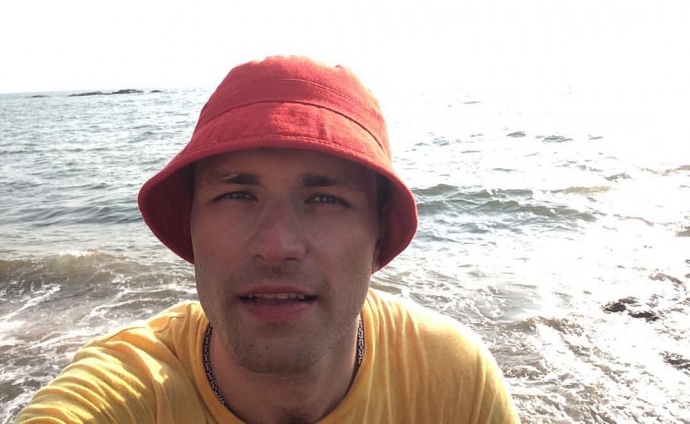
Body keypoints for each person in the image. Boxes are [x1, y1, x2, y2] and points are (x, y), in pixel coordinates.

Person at [16, 56, 521, 423]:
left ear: (379, 233)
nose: (276, 246)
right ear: (191, 224)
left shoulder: (452, 379)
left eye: (325, 199)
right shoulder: (122, 397)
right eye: (237, 195)